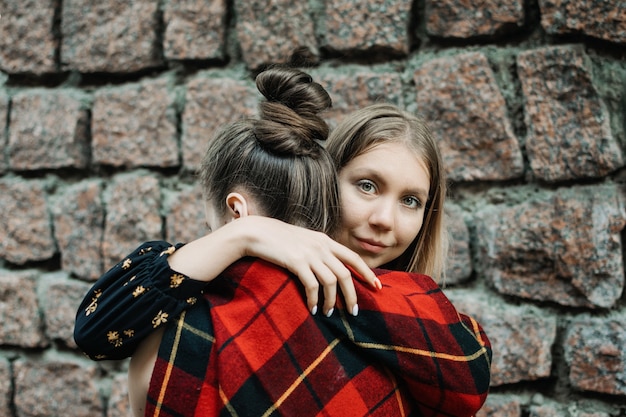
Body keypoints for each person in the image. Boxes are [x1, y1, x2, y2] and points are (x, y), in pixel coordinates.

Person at [74, 70, 491, 415]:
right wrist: (245, 234)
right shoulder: (228, 301)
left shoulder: (427, 324)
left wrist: (241, 233)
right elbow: (99, 330)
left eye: (411, 201)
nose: (384, 220)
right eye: (366, 186)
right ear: (326, 179)